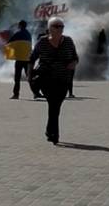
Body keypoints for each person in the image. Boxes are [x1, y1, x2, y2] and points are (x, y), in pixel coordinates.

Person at [28, 16, 78, 145]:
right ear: (49, 28)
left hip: (63, 79)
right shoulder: (42, 42)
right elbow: (32, 58)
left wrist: (73, 63)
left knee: (56, 107)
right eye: (56, 26)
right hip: (46, 80)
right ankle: (55, 135)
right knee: (53, 104)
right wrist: (29, 75)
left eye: (61, 26)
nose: (59, 29)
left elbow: (75, 57)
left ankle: (49, 130)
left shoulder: (68, 41)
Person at [6, 20, 40, 99]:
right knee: (29, 76)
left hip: (19, 58)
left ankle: (16, 94)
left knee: (17, 78)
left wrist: (9, 53)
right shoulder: (28, 34)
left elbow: (10, 43)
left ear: (20, 26)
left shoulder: (17, 33)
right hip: (27, 58)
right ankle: (35, 93)